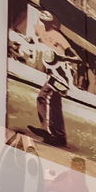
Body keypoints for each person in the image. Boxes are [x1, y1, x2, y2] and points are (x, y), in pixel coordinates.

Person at [30, 13, 78, 148]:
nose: (45, 24)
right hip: (53, 73)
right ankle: (60, 136)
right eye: (43, 21)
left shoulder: (58, 36)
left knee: (43, 96)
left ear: (53, 23)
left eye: (48, 22)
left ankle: (46, 128)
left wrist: (61, 58)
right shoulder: (42, 33)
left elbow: (77, 58)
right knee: (55, 104)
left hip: (61, 73)